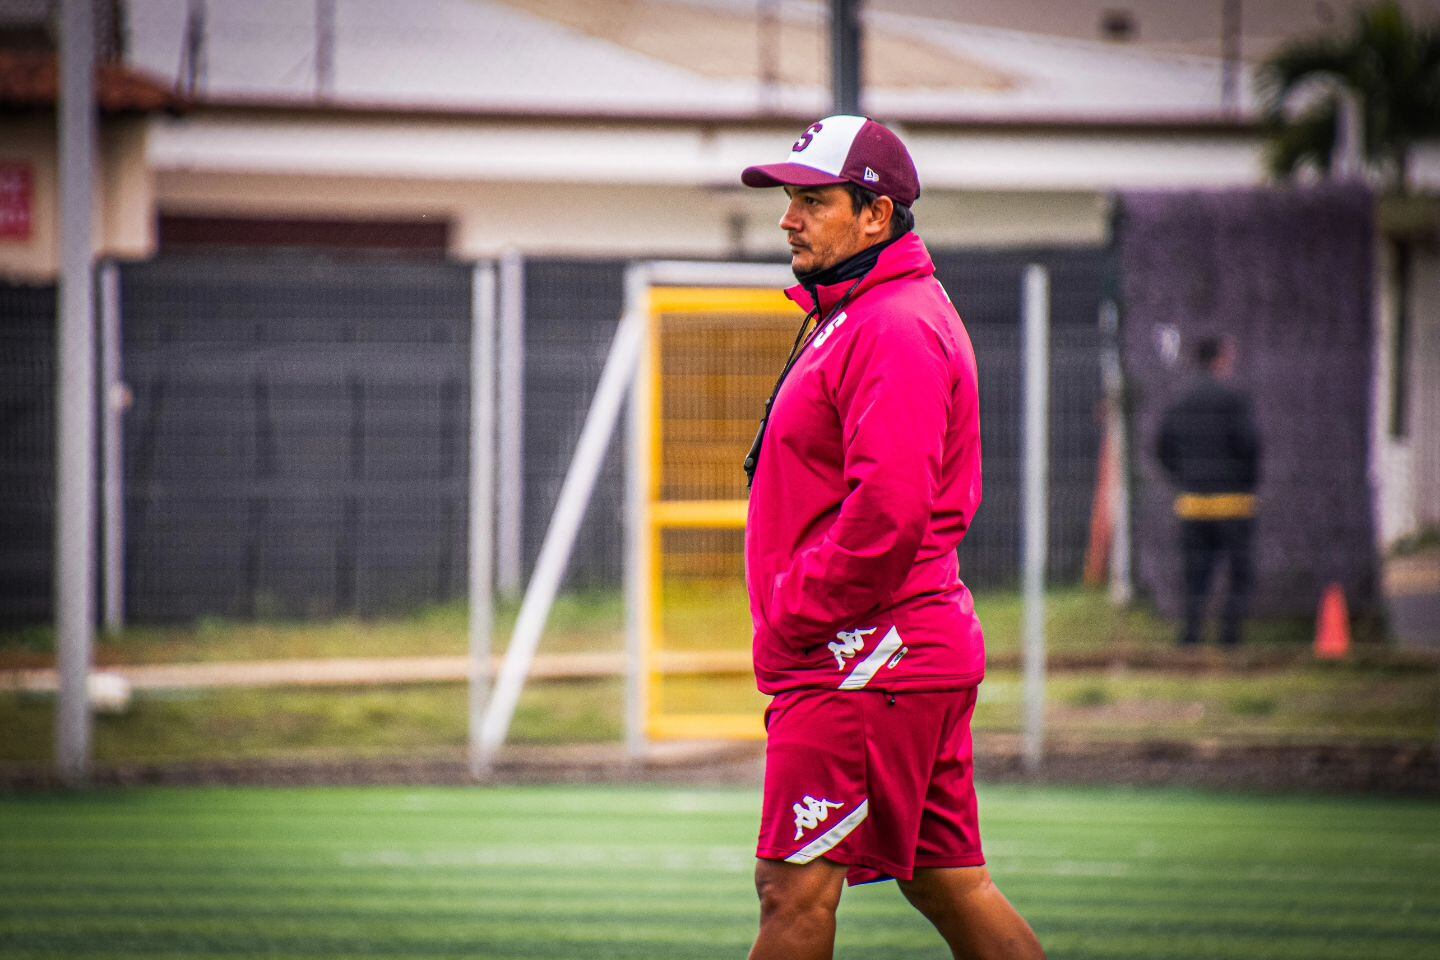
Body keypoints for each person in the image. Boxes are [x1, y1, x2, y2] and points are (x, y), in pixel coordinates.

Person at [739, 115, 1045, 960]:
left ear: (876, 215)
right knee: (950, 884)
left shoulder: (891, 324)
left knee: (793, 892)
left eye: (813, 201)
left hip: (864, 653)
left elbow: (888, 514)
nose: (788, 219)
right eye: (790, 200)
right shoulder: (866, 312)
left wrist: (797, 613)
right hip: (896, 649)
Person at [1156, 335, 1262, 647]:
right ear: (1221, 359)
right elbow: (1250, 446)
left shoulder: (1180, 402)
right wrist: (1246, 482)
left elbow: (1163, 448)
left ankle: (1191, 637)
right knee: (1239, 574)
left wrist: (1184, 478)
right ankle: (1230, 637)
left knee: (1196, 574)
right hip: (1233, 503)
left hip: (1194, 503)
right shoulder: (1235, 401)